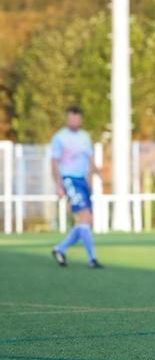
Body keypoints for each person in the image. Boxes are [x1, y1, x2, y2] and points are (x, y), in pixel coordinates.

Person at [49, 106, 102, 268]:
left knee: (86, 221)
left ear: (80, 119)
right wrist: (58, 185)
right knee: (84, 218)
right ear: (67, 119)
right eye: (71, 118)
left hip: (82, 181)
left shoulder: (85, 137)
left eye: (77, 118)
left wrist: (95, 174)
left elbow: (90, 159)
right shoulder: (60, 137)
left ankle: (60, 249)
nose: (74, 121)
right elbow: (54, 162)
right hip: (69, 179)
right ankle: (92, 259)